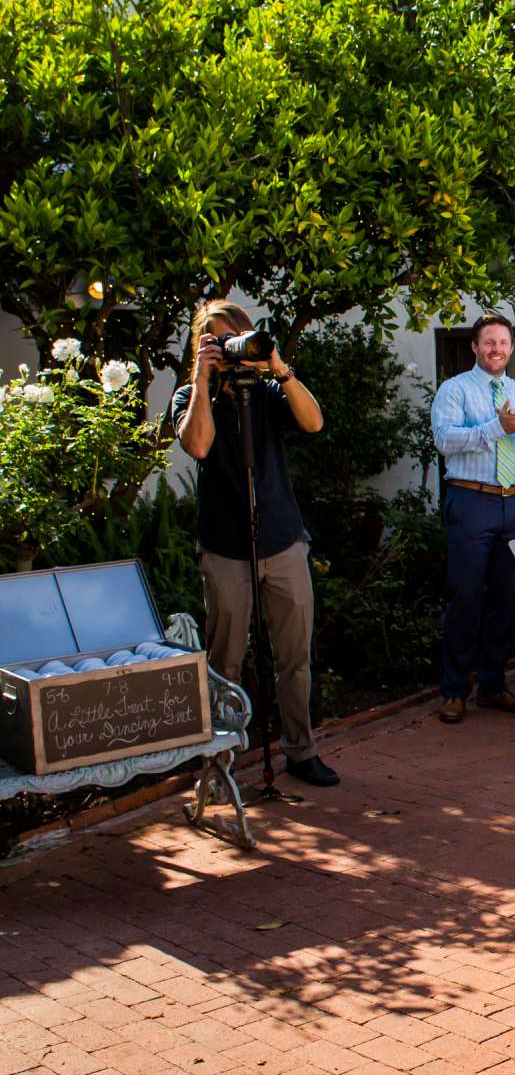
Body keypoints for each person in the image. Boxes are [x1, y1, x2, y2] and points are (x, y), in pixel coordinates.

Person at [172, 299, 339, 788]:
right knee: (226, 660)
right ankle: (219, 761)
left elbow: (313, 423)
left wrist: (279, 369)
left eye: (235, 338)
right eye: (218, 340)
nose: (229, 349)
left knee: (295, 655)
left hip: (283, 539)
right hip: (225, 545)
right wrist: (203, 381)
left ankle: (301, 750)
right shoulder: (189, 396)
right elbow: (198, 445)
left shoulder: (266, 391)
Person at [431, 315, 515, 724]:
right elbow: (444, 440)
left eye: (503, 342)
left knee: (507, 597)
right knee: (464, 596)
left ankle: (492, 684)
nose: (497, 349)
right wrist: (494, 428)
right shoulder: (455, 390)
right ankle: (454, 690)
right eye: (489, 342)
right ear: (475, 347)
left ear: (511, 347)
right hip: (471, 500)